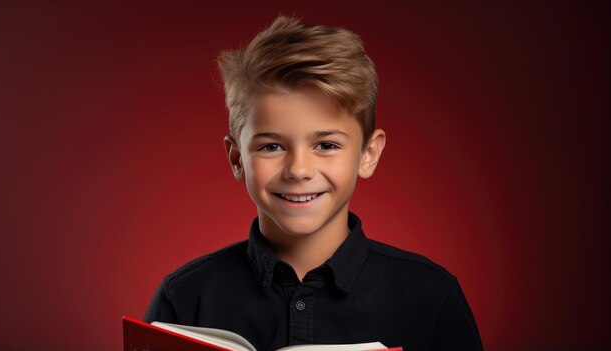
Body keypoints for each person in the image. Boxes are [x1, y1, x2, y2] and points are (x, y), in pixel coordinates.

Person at [144, 16, 483, 351]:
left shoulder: (430, 296)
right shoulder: (183, 298)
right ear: (237, 159)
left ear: (368, 154)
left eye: (326, 145)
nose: (299, 170)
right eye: (271, 146)